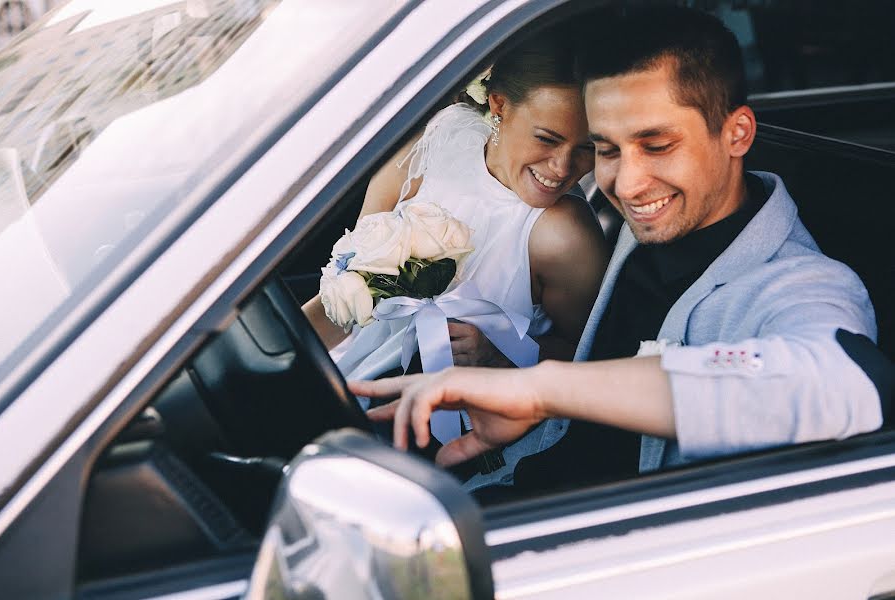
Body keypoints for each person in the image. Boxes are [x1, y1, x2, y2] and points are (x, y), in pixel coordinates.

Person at [351, 7, 891, 492]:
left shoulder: (801, 282)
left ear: (738, 134)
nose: (628, 184)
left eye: (657, 145)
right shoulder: (650, 216)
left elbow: (843, 382)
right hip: (515, 475)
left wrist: (545, 390)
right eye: (606, 149)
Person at [303, 26, 608, 386]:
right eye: (546, 139)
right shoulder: (434, 144)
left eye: (589, 147)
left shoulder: (564, 237)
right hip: (351, 369)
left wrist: (502, 355)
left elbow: (595, 360)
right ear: (499, 105)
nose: (562, 167)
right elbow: (345, 289)